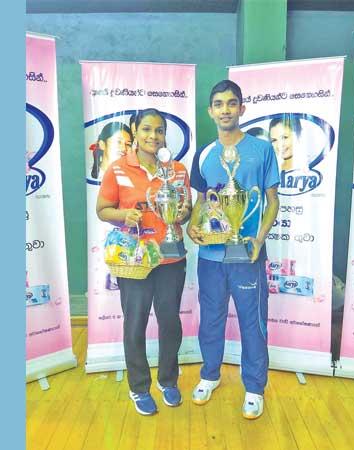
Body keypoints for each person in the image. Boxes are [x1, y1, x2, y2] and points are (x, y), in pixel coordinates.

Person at [186, 80, 280, 420]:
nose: (225, 109)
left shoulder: (262, 149)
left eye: (231, 103)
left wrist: (260, 238)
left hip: (247, 255)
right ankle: (210, 375)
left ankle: (254, 387)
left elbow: (272, 200)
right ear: (210, 111)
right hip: (211, 257)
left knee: (252, 322)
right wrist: (191, 226)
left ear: (242, 108)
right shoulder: (205, 154)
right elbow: (200, 200)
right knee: (210, 319)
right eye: (219, 104)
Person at [96, 108, 192, 416]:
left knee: (170, 322)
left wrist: (183, 213)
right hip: (135, 261)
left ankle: (168, 380)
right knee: (135, 324)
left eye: (159, 130)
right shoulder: (118, 169)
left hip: (171, 257)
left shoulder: (176, 169)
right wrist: (125, 214)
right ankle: (139, 386)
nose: (153, 135)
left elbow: (186, 208)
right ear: (134, 132)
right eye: (147, 129)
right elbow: (103, 209)